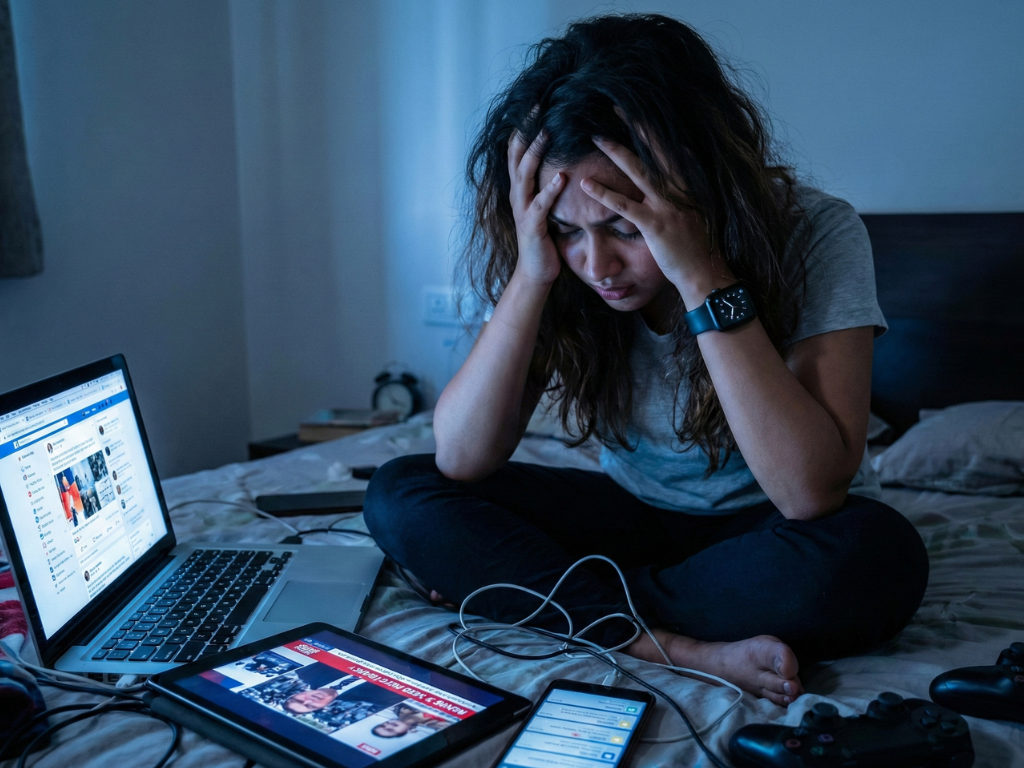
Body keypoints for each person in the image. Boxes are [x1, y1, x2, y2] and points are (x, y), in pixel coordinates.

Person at [363, 13, 928, 708]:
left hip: (770, 529)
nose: (596, 264)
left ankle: (552, 594)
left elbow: (809, 493)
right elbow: (461, 456)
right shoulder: (560, 269)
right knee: (402, 492)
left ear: (701, 189)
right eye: (567, 230)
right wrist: (534, 272)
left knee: (877, 558)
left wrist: (701, 274)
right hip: (633, 516)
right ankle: (656, 641)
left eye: (625, 228)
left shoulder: (817, 232)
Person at [371, 704, 449, 739]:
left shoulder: (395, 706)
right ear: (406, 732)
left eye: (382, 725)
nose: (388, 725)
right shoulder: (438, 726)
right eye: (390, 730)